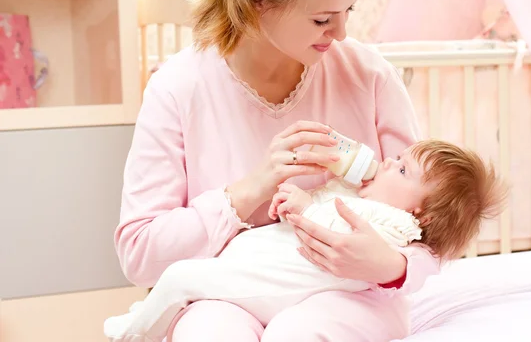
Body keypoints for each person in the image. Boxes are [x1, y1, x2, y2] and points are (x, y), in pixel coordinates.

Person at [115, 0, 441, 342]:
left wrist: (391, 266)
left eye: (349, 11)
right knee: (208, 331)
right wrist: (246, 193)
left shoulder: (369, 75)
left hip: (349, 297)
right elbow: (139, 253)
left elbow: (436, 216)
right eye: (322, 19)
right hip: (230, 295)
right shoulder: (178, 88)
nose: (342, 34)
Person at [106, 139, 505, 342]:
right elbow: (331, 207)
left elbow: (336, 232)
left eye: (401, 170)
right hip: (265, 285)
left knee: (180, 279)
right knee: (198, 304)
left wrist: (304, 206)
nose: (386, 162)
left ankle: (136, 331)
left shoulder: (393, 224)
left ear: (422, 215)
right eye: (397, 158)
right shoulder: (365, 201)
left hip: (282, 290)